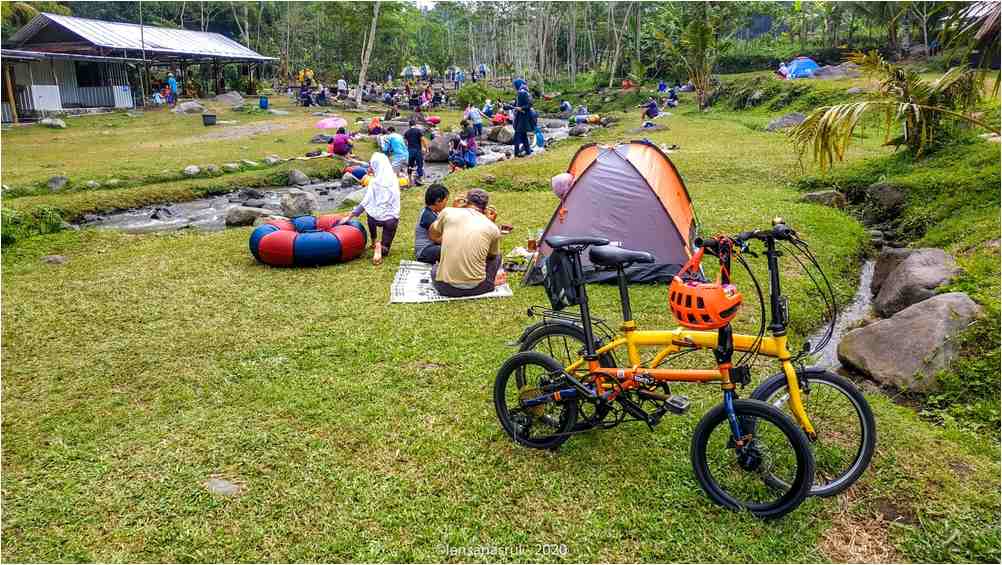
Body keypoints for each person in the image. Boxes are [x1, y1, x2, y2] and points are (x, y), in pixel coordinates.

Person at [429, 189, 505, 297]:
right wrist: (491, 222)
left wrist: (453, 211)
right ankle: (490, 281)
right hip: (479, 288)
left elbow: (433, 235)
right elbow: (491, 256)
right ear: (486, 207)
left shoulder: (448, 212)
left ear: (466, 201)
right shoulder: (492, 227)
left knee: (435, 269)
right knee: (497, 255)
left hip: (445, 288)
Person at [339, 153, 400, 266]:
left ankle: (373, 241)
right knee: (386, 247)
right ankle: (381, 247)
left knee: (370, 211)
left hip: (374, 218)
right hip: (390, 220)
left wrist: (350, 216)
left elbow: (365, 202)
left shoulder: (374, 182)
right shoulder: (394, 180)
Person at [414, 184, 449, 264]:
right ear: (437, 201)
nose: (446, 203)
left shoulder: (432, 212)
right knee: (450, 250)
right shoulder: (428, 216)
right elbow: (440, 238)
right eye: (446, 200)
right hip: (425, 251)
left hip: (431, 247)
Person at [512, 86, 535, 157]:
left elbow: (529, 105)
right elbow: (528, 104)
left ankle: (517, 152)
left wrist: (521, 108)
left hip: (522, 119)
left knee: (517, 137)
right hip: (522, 119)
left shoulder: (523, 94)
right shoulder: (524, 94)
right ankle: (528, 151)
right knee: (524, 136)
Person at [403, 118, 427, 186]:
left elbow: (404, 142)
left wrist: (407, 148)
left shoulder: (406, 132)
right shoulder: (418, 131)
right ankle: (419, 179)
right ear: (415, 124)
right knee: (420, 165)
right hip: (417, 151)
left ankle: (410, 181)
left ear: (409, 125)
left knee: (410, 165)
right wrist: (426, 148)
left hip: (410, 151)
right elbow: (423, 139)